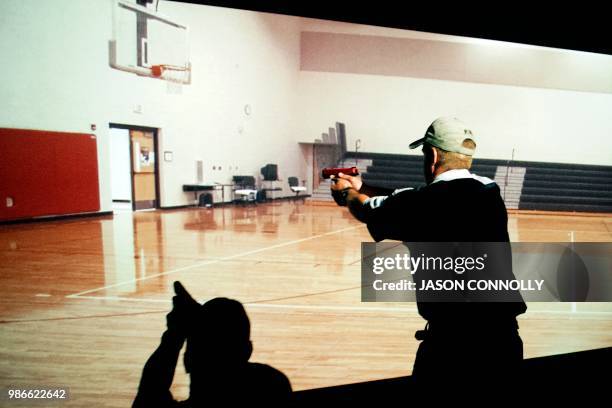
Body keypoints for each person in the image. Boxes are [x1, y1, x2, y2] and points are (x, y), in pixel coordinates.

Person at [330, 117, 527, 394]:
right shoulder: (489, 191)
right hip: (504, 341)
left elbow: (369, 210)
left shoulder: (422, 204)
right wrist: (363, 187)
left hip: (452, 349)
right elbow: (408, 199)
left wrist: (347, 193)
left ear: (432, 155)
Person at [133, 282, 292, 407]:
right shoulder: (273, 384)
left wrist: (174, 336)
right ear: (247, 350)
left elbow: (149, 394)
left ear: (188, 360)